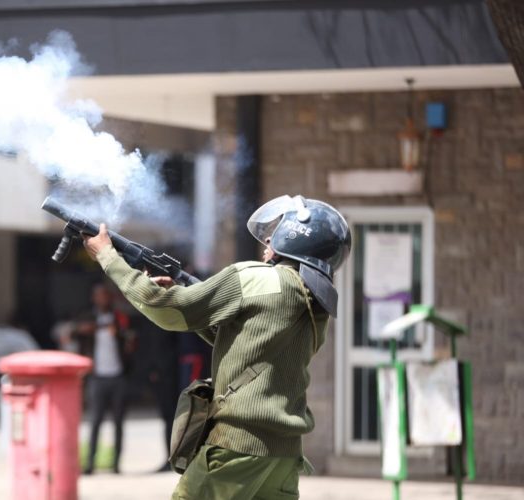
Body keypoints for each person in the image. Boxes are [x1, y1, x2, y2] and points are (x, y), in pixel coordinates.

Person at [82, 195, 351, 500]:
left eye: (274, 235)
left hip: (237, 447)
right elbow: (247, 344)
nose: (266, 244)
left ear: (295, 238)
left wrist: (108, 257)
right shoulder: (315, 305)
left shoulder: (254, 278)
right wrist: (191, 299)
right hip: (283, 456)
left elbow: (164, 307)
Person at [70, 283, 136, 474]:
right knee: (95, 421)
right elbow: (73, 332)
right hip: (97, 378)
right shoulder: (88, 317)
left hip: (118, 376)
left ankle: (116, 465)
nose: (103, 299)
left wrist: (121, 336)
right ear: (94, 299)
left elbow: (130, 337)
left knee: (118, 422)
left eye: (106, 296)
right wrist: (88, 329)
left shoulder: (119, 317)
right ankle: (89, 464)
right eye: (99, 296)